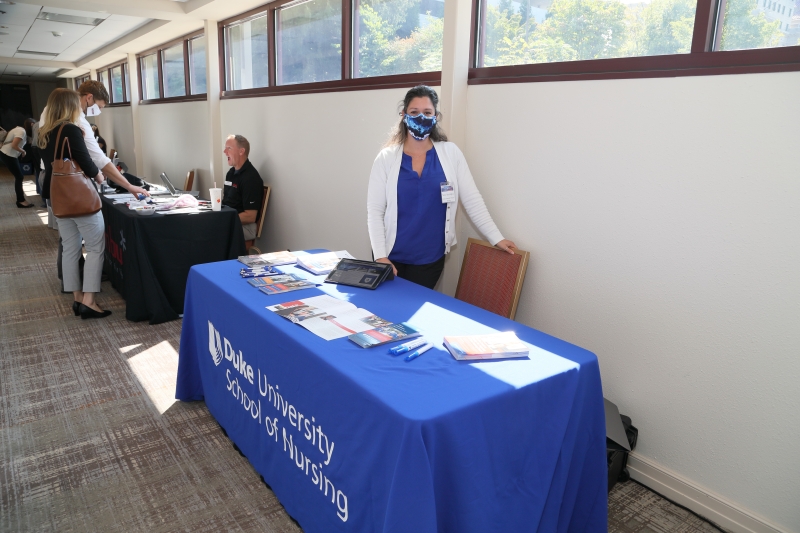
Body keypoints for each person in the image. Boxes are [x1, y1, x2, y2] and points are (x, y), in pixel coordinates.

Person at [367, 85, 517, 290]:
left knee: (417, 308)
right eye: (414, 112)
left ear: (436, 117)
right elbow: (375, 211)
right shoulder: (386, 158)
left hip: (429, 259)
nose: (421, 117)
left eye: (427, 112)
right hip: (389, 257)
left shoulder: (450, 153)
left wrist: (496, 238)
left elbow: (472, 199)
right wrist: (380, 256)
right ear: (403, 115)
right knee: (386, 309)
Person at [38, 89, 110, 319]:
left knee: (70, 247)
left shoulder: (44, 131)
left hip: (57, 195)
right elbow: (86, 161)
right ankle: (89, 301)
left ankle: (77, 298)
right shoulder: (70, 129)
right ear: (69, 105)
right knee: (95, 248)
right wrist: (100, 176)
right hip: (79, 197)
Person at [222, 134, 263, 246]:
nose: (225, 152)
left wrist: (224, 219)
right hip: (229, 219)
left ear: (241, 151)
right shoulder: (230, 173)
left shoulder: (251, 178)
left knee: (210, 231)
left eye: (229, 148)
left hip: (245, 226)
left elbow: (250, 216)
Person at [1, 118, 35, 208]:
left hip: (8, 154)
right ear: (31, 124)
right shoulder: (21, 131)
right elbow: (14, 145)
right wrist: (23, 151)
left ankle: (21, 200)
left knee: (19, 176)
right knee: (19, 177)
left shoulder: (20, 130)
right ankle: (21, 201)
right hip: (8, 154)